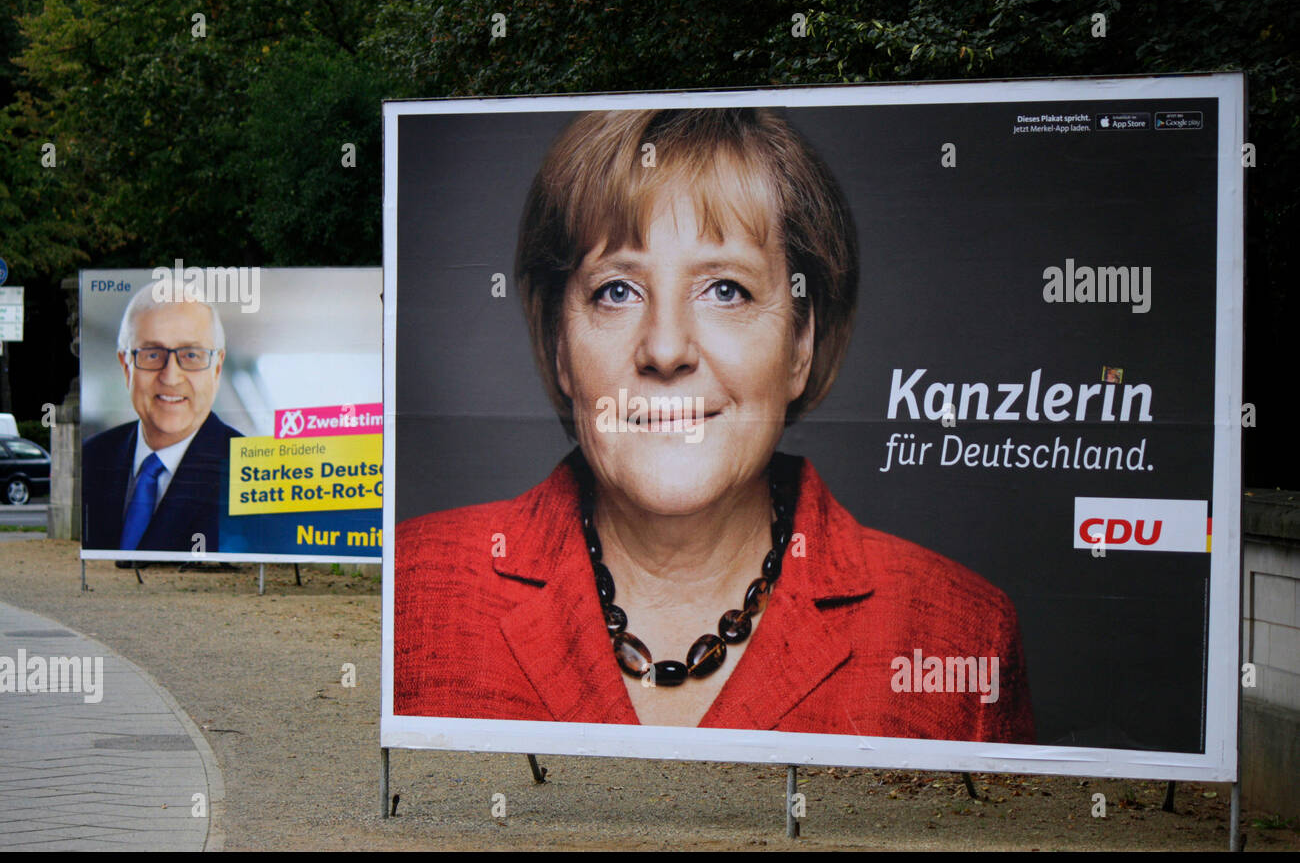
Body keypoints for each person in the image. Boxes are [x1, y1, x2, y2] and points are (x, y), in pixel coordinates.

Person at [395, 108, 1034, 741]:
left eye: (725, 290)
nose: (666, 349)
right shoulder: (415, 593)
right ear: (559, 343)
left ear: (801, 343)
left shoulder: (960, 634)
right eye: (617, 290)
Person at [82, 281, 242, 552]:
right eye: (152, 354)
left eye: (191, 355)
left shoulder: (245, 471)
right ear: (126, 366)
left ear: (216, 369)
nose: (170, 376)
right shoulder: (92, 457)